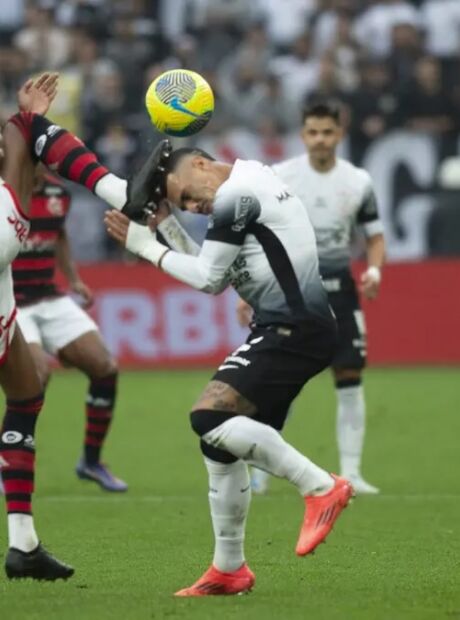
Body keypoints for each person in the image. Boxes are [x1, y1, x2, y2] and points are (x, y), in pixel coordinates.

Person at [101, 139, 354, 597]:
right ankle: (228, 569)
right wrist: (168, 227)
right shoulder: (251, 177)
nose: (194, 208)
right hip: (296, 326)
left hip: (291, 328)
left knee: (209, 417)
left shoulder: (238, 193)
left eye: (189, 197)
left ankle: (320, 486)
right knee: (221, 446)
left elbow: (208, 278)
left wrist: (143, 243)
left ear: (199, 164)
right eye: (186, 207)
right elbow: (214, 269)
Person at [239, 101, 385, 495]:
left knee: (350, 375)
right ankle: (261, 473)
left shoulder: (358, 181)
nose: (320, 139)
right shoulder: (283, 177)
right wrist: (249, 288)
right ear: (303, 136)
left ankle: (352, 472)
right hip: (289, 288)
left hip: (339, 287)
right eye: (313, 132)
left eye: (328, 132)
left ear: (339, 134)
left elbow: (373, 236)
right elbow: (257, 234)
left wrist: (374, 269)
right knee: (277, 380)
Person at [10, 167, 127, 492]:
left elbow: (57, 235)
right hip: (11, 301)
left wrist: (74, 279)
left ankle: (91, 462)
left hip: (49, 297)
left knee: (105, 367)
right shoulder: (4, 191)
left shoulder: (56, 193)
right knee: (35, 376)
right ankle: (12, 461)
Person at [0, 73, 74, 580]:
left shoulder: (9, 199)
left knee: (27, 396)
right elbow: (19, 153)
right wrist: (27, 117)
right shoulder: (6, 211)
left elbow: (17, 151)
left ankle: (23, 546)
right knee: (26, 397)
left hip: (4, 316)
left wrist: (26, 118)